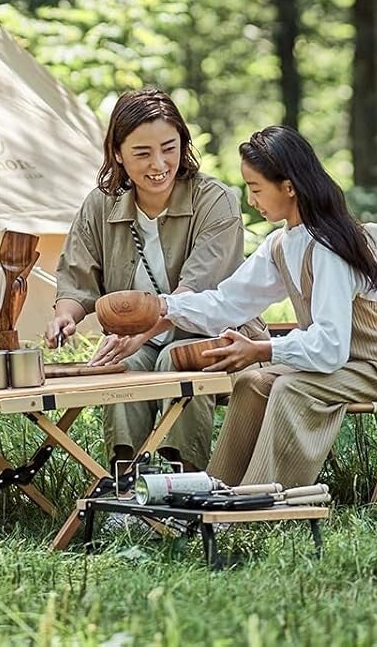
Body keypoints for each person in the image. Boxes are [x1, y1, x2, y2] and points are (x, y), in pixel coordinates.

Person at [157, 124, 377, 489]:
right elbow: (229, 302)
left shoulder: (328, 248)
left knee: (289, 388)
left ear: (289, 187)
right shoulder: (282, 243)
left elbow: (330, 346)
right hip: (343, 363)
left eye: (255, 188)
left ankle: (263, 501)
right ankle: (217, 491)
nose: (251, 200)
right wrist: (162, 307)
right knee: (252, 381)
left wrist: (263, 348)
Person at [46, 88, 257, 470]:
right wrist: (65, 315)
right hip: (140, 340)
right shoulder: (100, 204)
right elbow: (77, 279)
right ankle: (125, 483)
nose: (159, 163)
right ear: (118, 155)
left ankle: (183, 482)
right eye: (142, 153)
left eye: (169, 148)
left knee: (174, 360)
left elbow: (195, 294)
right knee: (123, 370)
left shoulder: (215, 201)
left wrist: (138, 334)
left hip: (213, 335)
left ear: (183, 144)